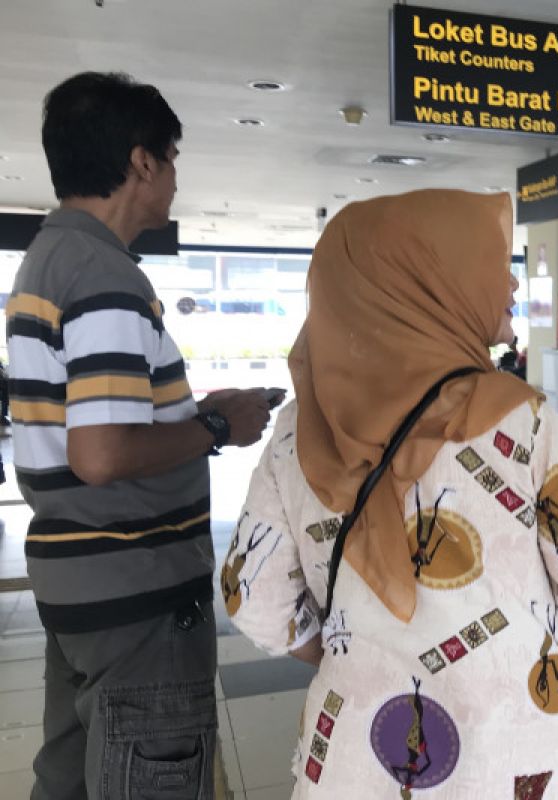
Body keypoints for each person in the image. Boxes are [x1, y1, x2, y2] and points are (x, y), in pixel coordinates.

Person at [222, 190, 558, 798]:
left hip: (353, 757)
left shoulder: (296, 429)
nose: (514, 288)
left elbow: (254, 602)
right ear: (437, 280)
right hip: (513, 754)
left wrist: (363, 651)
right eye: (497, 266)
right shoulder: (525, 422)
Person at [8, 71, 272, 800]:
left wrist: (191, 415)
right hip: (136, 594)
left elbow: (92, 428)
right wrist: (218, 426)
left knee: (69, 774)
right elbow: (103, 454)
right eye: (172, 158)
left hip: (78, 583)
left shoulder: (48, 258)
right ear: (141, 162)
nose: (176, 177)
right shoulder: (104, 274)